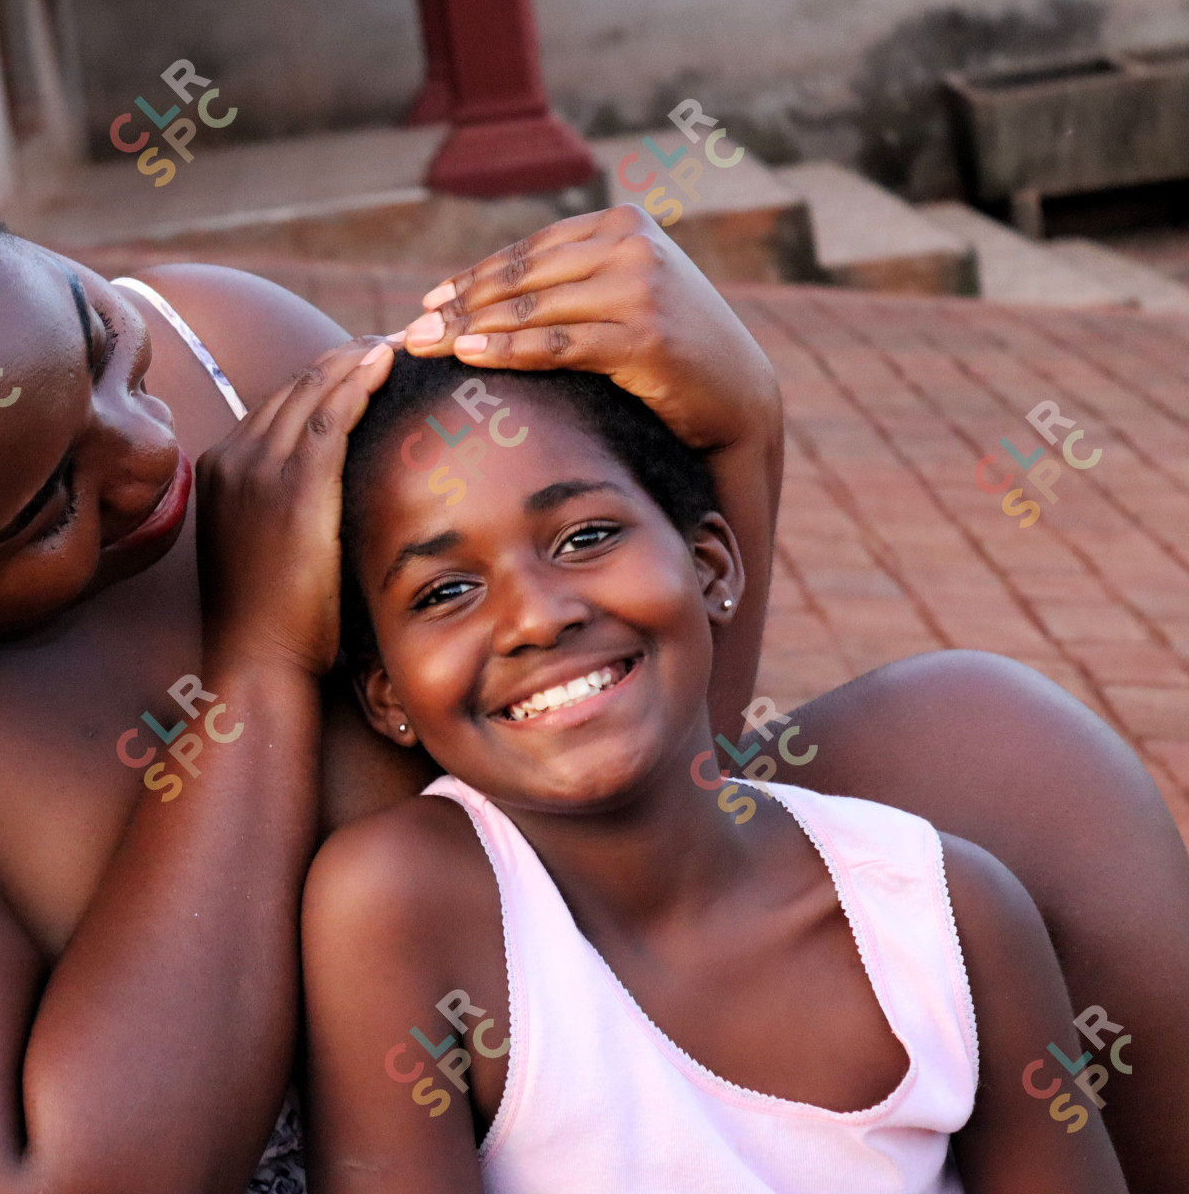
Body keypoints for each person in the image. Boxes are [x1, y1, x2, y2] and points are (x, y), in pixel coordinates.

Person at [0, 157, 1181, 1193]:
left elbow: (580, 721)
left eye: (90, 337)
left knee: (991, 753)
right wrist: (262, 667)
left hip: (475, 1019)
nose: (149, 458)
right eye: (42, 509)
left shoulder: (225, 339)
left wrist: (735, 426)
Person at [303, 356, 1130, 1192]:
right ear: (385, 695)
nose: (538, 618)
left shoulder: (948, 915)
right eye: (444, 591)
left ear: (711, 567)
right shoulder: (399, 904)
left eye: (584, 538)